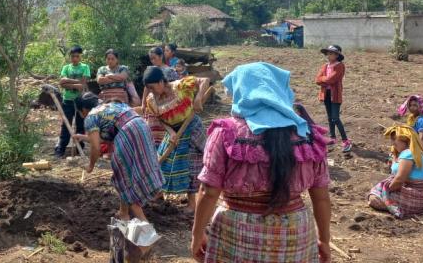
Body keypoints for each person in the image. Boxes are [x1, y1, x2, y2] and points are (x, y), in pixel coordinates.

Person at [192, 62, 331, 263]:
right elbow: (321, 198)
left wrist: (197, 235)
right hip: (295, 233)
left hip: (237, 232)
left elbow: (208, 191)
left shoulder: (226, 133)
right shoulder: (307, 135)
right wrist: (324, 240)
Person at [72, 93, 165, 221]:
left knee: (125, 176)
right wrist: (82, 137)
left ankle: (146, 231)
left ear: (83, 110)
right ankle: (124, 212)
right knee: (138, 169)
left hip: (128, 133)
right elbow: (105, 136)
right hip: (142, 127)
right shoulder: (110, 105)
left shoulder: (90, 116)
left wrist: (90, 166)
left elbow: (96, 148)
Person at [143, 66, 209, 212]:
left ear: (161, 82)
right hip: (174, 131)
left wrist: (197, 99)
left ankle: (192, 204)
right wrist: (171, 132)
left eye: (153, 87)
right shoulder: (152, 100)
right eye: (149, 89)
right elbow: (160, 119)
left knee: (191, 164)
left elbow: (205, 80)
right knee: (162, 161)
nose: (152, 92)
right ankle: (158, 193)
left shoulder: (180, 86)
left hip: (191, 127)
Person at [369, 125, 423, 218]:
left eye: (394, 139)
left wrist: (386, 192)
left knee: (374, 199)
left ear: (406, 140)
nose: (392, 143)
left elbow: (399, 180)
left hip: (415, 197)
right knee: (378, 191)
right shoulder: (413, 152)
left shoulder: (408, 154)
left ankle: (398, 208)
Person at [55, 45, 91, 158]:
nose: (75, 58)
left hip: (80, 101)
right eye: (73, 56)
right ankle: (60, 150)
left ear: (80, 57)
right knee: (66, 125)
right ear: (70, 57)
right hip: (68, 100)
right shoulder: (66, 67)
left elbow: (83, 84)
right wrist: (76, 83)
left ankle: (79, 150)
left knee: (80, 125)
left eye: (77, 56)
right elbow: (62, 82)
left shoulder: (85, 67)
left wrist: (69, 84)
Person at [315, 44, 350, 152]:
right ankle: (332, 138)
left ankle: (346, 141)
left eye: (331, 53)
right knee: (330, 117)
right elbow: (317, 80)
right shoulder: (325, 66)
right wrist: (325, 80)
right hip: (326, 94)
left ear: (337, 55)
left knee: (335, 118)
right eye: (328, 53)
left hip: (335, 95)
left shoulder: (340, 66)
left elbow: (332, 79)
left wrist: (323, 80)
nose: (328, 56)